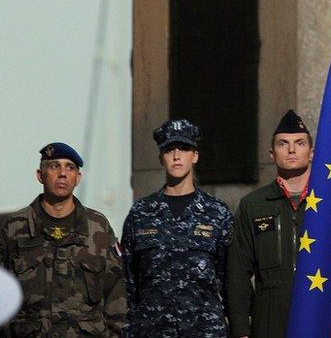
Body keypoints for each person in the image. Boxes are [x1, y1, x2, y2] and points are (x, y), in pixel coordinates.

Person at [0, 142, 126, 336]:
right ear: (40, 175)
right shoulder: (16, 227)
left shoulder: (98, 227)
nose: (63, 173)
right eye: (54, 166)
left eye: (70, 167)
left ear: (78, 178)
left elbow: (117, 294)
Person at [121, 118, 233, 337]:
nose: (176, 155)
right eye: (169, 149)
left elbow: (229, 279)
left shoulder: (217, 213)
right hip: (152, 329)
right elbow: (128, 280)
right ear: (161, 158)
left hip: (204, 330)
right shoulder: (141, 213)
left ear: (196, 156)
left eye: (184, 148)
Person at [226, 110, 313, 338]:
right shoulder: (253, 205)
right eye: (283, 144)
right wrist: (241, 330)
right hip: (269, 320)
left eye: (299, 143)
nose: (292, 150)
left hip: (319, 313)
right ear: (272, 154)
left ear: (311, 153)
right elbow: (237, 273)